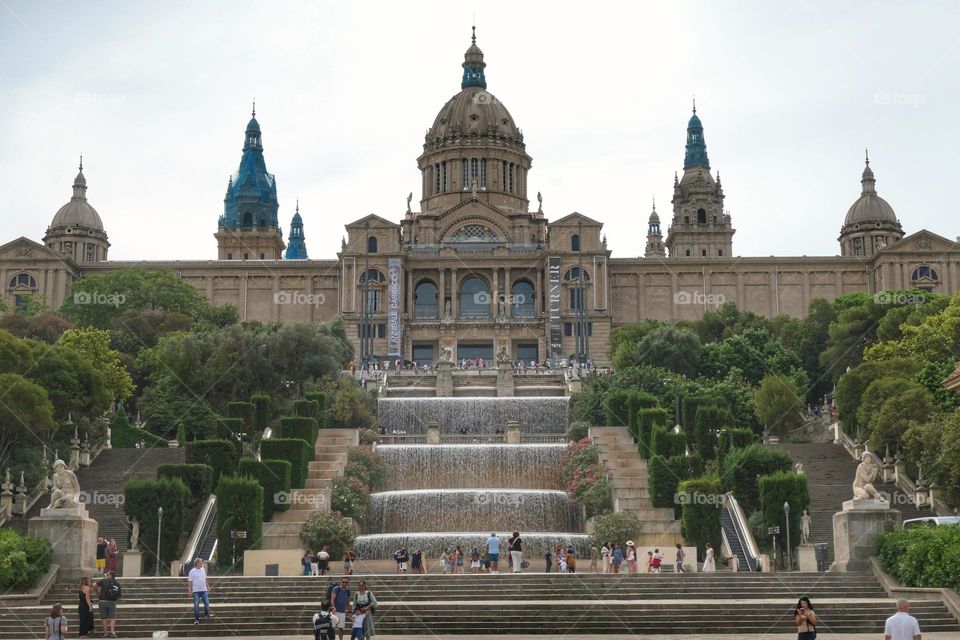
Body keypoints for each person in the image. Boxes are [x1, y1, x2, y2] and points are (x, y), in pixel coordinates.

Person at [95, 571, 121, 638]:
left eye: (107, 574)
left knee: (104, 618)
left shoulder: (104, 580)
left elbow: (94, 585)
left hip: (102, 601)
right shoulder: (117, 583)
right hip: (112, 602)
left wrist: (97, 591)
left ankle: (106, 633)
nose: (106, 575)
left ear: (110, 575)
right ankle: (112, 632)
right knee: (112, 618)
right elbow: (119, 595)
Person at [187, 558, 213, 624]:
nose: (202, 564)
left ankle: (206, 614)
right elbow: (190, 582)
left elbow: (205, 579)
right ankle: (197, 619)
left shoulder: (203, 569)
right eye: (201, 562)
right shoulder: (192, 571)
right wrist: (190, 590)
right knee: (196, 605)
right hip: (196, 591)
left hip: (204, 590)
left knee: (206, 603)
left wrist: (208, 587)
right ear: (197, 563)